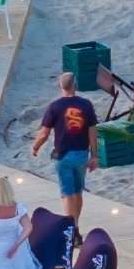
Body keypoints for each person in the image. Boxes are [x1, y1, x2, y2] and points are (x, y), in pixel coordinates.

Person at [36, 83, 99, 219]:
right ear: (75, 85)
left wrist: (35, 147)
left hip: (63, 155)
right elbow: (92, 133)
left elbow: (43, 134)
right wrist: (94, 155)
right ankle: (75, 226)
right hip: (81, 154)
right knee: (77, 191)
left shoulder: (55, 106)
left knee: (67, 193)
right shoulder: (86, 104)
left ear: (60, 87)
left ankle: (72, 229)